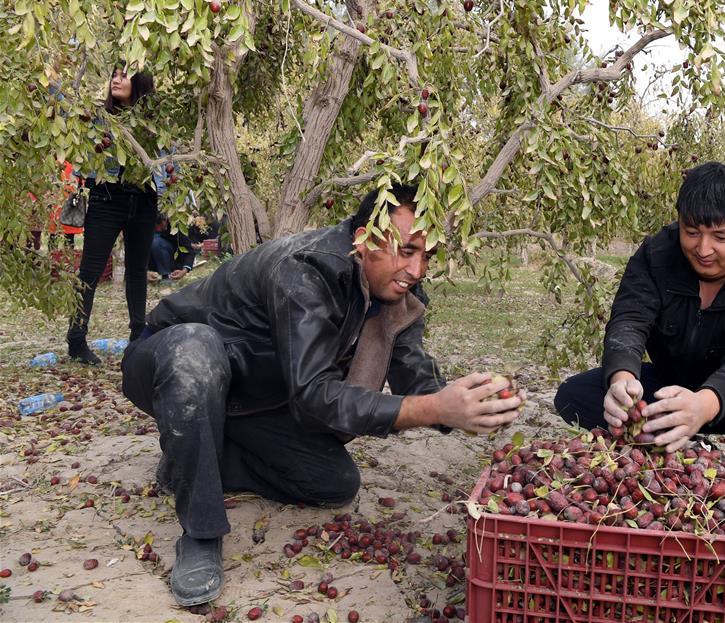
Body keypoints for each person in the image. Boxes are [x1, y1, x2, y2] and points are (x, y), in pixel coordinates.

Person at [120, 183, 526, 608]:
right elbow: (314, 394)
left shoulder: (398, 294)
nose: (417, 269)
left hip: (248, 392)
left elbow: (416, 382)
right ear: (364, 239)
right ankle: (201, 534)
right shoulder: (306, 269)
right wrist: (431, 407)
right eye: (407, 251)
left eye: (426, 256)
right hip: (168, 360)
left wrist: (464, 405)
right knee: (195, 351)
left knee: (333, 482)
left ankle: (188, 462)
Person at [554, 162, 725, 495]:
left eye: (721, 237)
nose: (703, 250)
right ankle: (687, 447)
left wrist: (705, 403)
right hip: (670, 390)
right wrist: (623, 380)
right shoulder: (655, 255)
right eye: (691, 232)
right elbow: (629, 321)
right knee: (576, 395)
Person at [66, 63, 158, 365]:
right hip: (107, 199)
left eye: (123, 75)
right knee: (90, 272)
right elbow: (82, 152)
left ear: (139, 81)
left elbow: (168, 158)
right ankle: (76, 340)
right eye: (113, 75)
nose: (115, 80)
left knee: (137, 271)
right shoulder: (101, 117)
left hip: (143, 201)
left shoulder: (153, 120)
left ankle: (137, 336)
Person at [148, 213, 199, 282]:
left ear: (166, 220)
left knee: (156, 242)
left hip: (172, 260)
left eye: (162, 225)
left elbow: (190, 250)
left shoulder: (175, 226)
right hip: (152, 262)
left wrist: (184, 270)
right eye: (157, 226)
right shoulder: (145, 227)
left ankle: (166, 275)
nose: (159, 229)